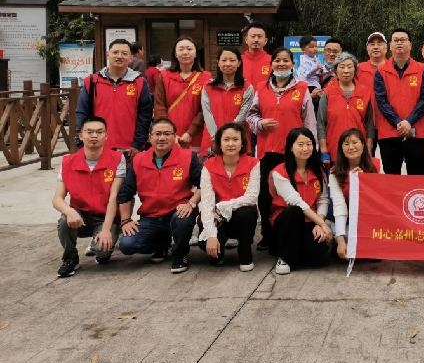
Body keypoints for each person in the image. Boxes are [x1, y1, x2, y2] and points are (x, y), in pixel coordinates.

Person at [246, 46, 316, 250]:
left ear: (293, 64)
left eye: (286, 60)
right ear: (271, 64)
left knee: (291, 194)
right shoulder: (261, 88)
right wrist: (260, 123)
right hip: (267, 151)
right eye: (277, 60)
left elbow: (309, 121)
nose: (281, 64)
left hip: (294, 153)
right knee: (265, 196)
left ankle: (291, 234)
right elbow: (251, 115)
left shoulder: (302, 88)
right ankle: (267, 235)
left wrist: (310, 149)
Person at [117, 118, 202, 274]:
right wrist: (125, 220)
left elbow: (204, 185)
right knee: (127, 245)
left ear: (174, 136)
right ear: (150, 137)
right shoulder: (138, 160)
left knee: (182, 220)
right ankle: (161, 245)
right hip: (150, 217)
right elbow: (125, 192)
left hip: (178, 212)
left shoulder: (188, 157)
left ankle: (180, 255)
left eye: (167, 134)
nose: (162, 138)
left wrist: (191, 203)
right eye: (157, 134)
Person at [52, 116, 126, 277]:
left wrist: (106, 230)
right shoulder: (68, 162)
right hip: (81, 216)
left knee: (102, 253)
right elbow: (57, 199)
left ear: (106, 136)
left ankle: (101, 241)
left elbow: (114, 197)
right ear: (81, 135)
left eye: (99, 132)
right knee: (64, 221)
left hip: (106, 217)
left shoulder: (117, 159)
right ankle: (70, 258)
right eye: (89, 132)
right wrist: (69, 211)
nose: (94, 136)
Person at [269, 127, 332, 274]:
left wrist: (319, 223)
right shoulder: (279, 172)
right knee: (295, 211)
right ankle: (284, 258)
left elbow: (323, 199)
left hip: (310, 221)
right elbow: (296, 202)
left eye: (309, 144)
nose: (305, 148)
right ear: (291, 147)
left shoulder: (319, 170)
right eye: (300, 144)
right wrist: (323, 224)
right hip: (286, 222)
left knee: (318, 255)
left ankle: (297, 252)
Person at [198, 122, 260, 271]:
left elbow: (252, 197)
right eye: (226, 140)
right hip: (218, 218)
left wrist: (224, 205)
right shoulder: (208, 166)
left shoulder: (253, 163)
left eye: (235, 139)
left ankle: (245, 253)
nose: (231, 144)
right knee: (209, 248)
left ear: (242, 142)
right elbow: (206, 203)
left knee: (247, 212)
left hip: (241, 216)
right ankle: (218, 248)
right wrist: (211, 236)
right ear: (219, 143)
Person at [75, 38, 153, 155]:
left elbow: (145, 116)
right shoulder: (91, 82)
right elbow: (82, 113)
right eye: (115, 52)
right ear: (108, 54)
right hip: (96, 148)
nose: (119, 56)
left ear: (131, 58)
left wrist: (138, 144)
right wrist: (81, 142)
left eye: (124, 53)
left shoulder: (140, 82)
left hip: (129, 151)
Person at [373, 28, 424, 174]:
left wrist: (409, 122)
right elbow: (381, 101)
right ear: (390, 46)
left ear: (410, 45)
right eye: (396, 40)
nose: (399, 43)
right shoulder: (381, 70)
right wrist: (398, 122)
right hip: (389, 133)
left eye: (403, 40)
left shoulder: (422, 69)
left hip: (417, 133)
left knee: (418, 178)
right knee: (392, 179)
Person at [329, 128, 382, 259]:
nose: (351, 147)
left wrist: (364, 182)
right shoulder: (334, 172)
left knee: (373, 251)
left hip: (368, 216)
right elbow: (339, 206)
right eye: (346, 144)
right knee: (345, 243)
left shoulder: (376, 165)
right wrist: (340, 240)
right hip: (346, 217)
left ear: (363, 144)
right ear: (341, 148)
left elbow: (379, 200)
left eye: (355, 142)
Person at [317, 52, 375, 167]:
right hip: (334, 149)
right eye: (342, 67)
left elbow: (369, 124)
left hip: (358, 150)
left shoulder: (365, 92)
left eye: (349, 66)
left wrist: (368, 147)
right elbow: (321, 123)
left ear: (355, 70)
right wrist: (323, 150)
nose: (346, 71)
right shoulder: (328, 92)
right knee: (336, 178)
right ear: (336, 70)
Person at [154, 36, 211, 151]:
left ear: (196, 53)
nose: (185, 52)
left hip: (196, 137)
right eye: (181, 49)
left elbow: (205, 109)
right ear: (175, 54)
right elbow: (159, 107)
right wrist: (169, 132)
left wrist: (190, 132)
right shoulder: (164, 76)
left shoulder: (205, 77)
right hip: (169, 137)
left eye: (189, 49)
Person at [200, 46, 255, 157]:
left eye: (232, 60)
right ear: (218, 63)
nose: (228, 63)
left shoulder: (247, 87)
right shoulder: (208, 87)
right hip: (212, 139)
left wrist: (229, 136)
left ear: (239, 63)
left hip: (238, 139)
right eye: (224, 60)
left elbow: (244, 114)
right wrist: (216, 136)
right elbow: (207, 113)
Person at [241, 22, 271, 87]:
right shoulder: (238, 60)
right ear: (246, 40)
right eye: (253, 36)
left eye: (259, 36)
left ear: (265, 41)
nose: (256, 40)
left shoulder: (272, 60)